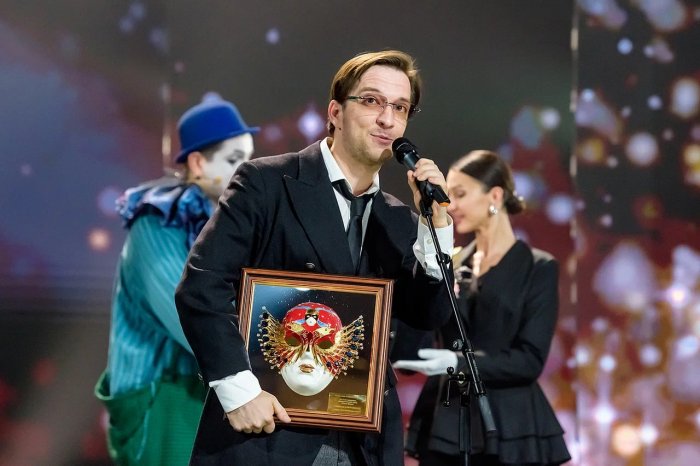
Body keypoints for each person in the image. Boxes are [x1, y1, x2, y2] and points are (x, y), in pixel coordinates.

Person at [174, 49, 455, 465]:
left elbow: (429, 314)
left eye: (400, 107)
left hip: (365, 442)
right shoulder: (266, 183)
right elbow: (202, 285)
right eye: (372, 101)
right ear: (336, 112)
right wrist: (239, 391)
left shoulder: (400, 219)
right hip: (269, 432)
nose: (387, 119)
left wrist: (438, 227)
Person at [95, 97, 259, 465]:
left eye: (250, 159)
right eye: (234, 160)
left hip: (214, 390)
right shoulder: (155, 225)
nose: (247, 172)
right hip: (161, 397)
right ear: (198, 163)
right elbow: (191, 320)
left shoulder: (232, 223)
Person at [393, 150, 572, 466]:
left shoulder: (537, 267)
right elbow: (424, 328)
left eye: (461, 194)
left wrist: (459, 362)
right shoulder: (451, 263)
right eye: (450, 195)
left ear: (495, 195)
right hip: (448, 419)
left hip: (509, 422)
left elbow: (529, 360)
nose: (452, 205)